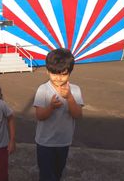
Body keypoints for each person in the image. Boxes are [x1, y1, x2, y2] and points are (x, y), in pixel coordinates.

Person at [33, 48, 84, 181]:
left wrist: (70, 98)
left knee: (57, 173)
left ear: (70, 73)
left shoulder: (75, 90)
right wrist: (50, 107)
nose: (58, 78)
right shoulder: (42, 89)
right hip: (44, 142)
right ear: (47, 71)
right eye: (54, 74)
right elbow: (39, 115)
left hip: (63, 142)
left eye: (63, 74)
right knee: (45, 175)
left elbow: (77, 115)